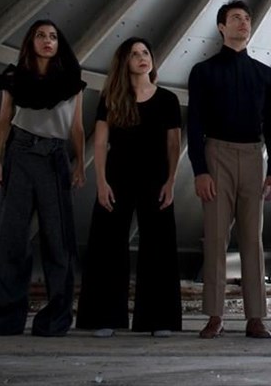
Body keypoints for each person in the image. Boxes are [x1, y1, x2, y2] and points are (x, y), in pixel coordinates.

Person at [187, 0, 271, 340]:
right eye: (235, 18)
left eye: (246, 18)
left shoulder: (265, 74)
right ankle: (215, 315)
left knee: (252, 238)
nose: (243, 22)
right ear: (221, 27)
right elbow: (194, 124)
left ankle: (256, 316)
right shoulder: (203, 71)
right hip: (216, 154)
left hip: (254, 155)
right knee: (215, 236)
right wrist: (200, 170)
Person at [0, 19, 86, 336]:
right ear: (31, 42)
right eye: (41, 35)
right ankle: (6, 320)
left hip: (55, 158)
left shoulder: (72, 82)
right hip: (19, 153)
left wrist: (80, 164)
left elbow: (77, 127)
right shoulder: (14, 78)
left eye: (53, 36)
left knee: (59, 241)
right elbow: (4, 120)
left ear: (59, 44)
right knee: (10, 239)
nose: (47, 40)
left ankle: (55, 321)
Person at [76, 38, 182, 337]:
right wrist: (101, 182)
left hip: (157, 178)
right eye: (134, 54)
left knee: (159, 246)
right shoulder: (111, 98)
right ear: (125, 61)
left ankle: (158, 320)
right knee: (107, 245)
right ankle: (104, 318)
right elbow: (100, 143)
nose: (142, 57)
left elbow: (173, 145)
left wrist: (171, 181)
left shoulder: (167, 99)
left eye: (145, 52)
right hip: (117, 177)